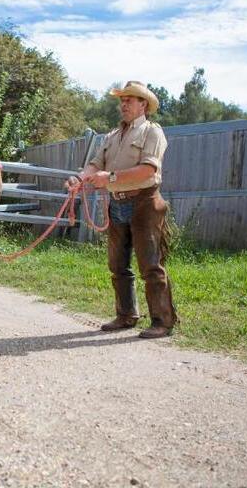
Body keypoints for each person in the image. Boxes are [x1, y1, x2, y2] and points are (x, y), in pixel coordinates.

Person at [67, 80, 177, 338]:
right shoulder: (111, 137)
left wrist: (111, 179)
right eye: (122, 99)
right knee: (117, 264)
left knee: (150, 264)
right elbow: (94, 165)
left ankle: (163, 321)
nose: (124, 104)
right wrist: (80, 180)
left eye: (130, 99)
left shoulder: (153, 132)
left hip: (145, 202)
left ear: (144, 105)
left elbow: (149, 170)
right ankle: (126, 315)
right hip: (117, 204)